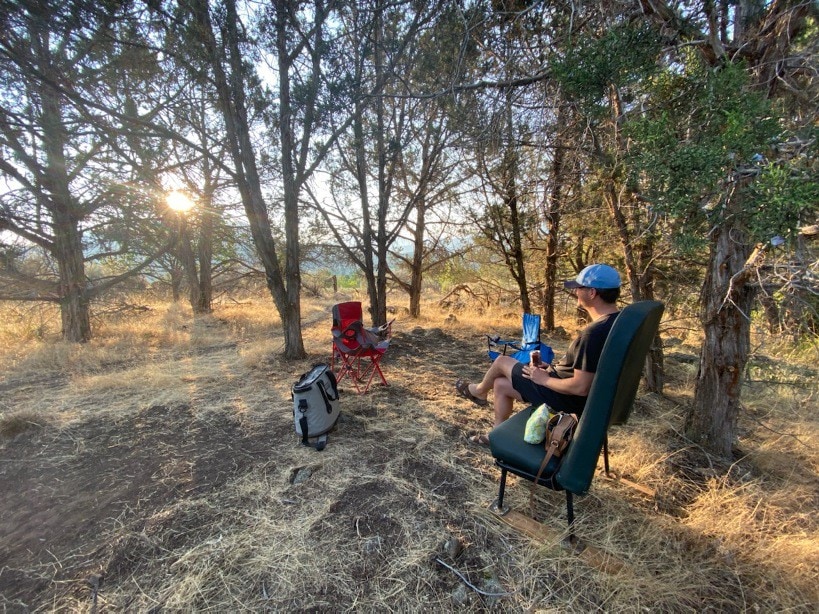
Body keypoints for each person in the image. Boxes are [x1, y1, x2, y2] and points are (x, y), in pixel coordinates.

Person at [454, 264, 622, 445]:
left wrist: (543, 379)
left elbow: (581, 387)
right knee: (501, 384)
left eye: (579, 288)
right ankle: (495, 437)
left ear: (592, 293)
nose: (575, 292)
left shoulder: (593, 333)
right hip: (579, 396)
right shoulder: (617, 323)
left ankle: (478, 391)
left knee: (502, 361)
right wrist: (549, 369)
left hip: (567, 399)